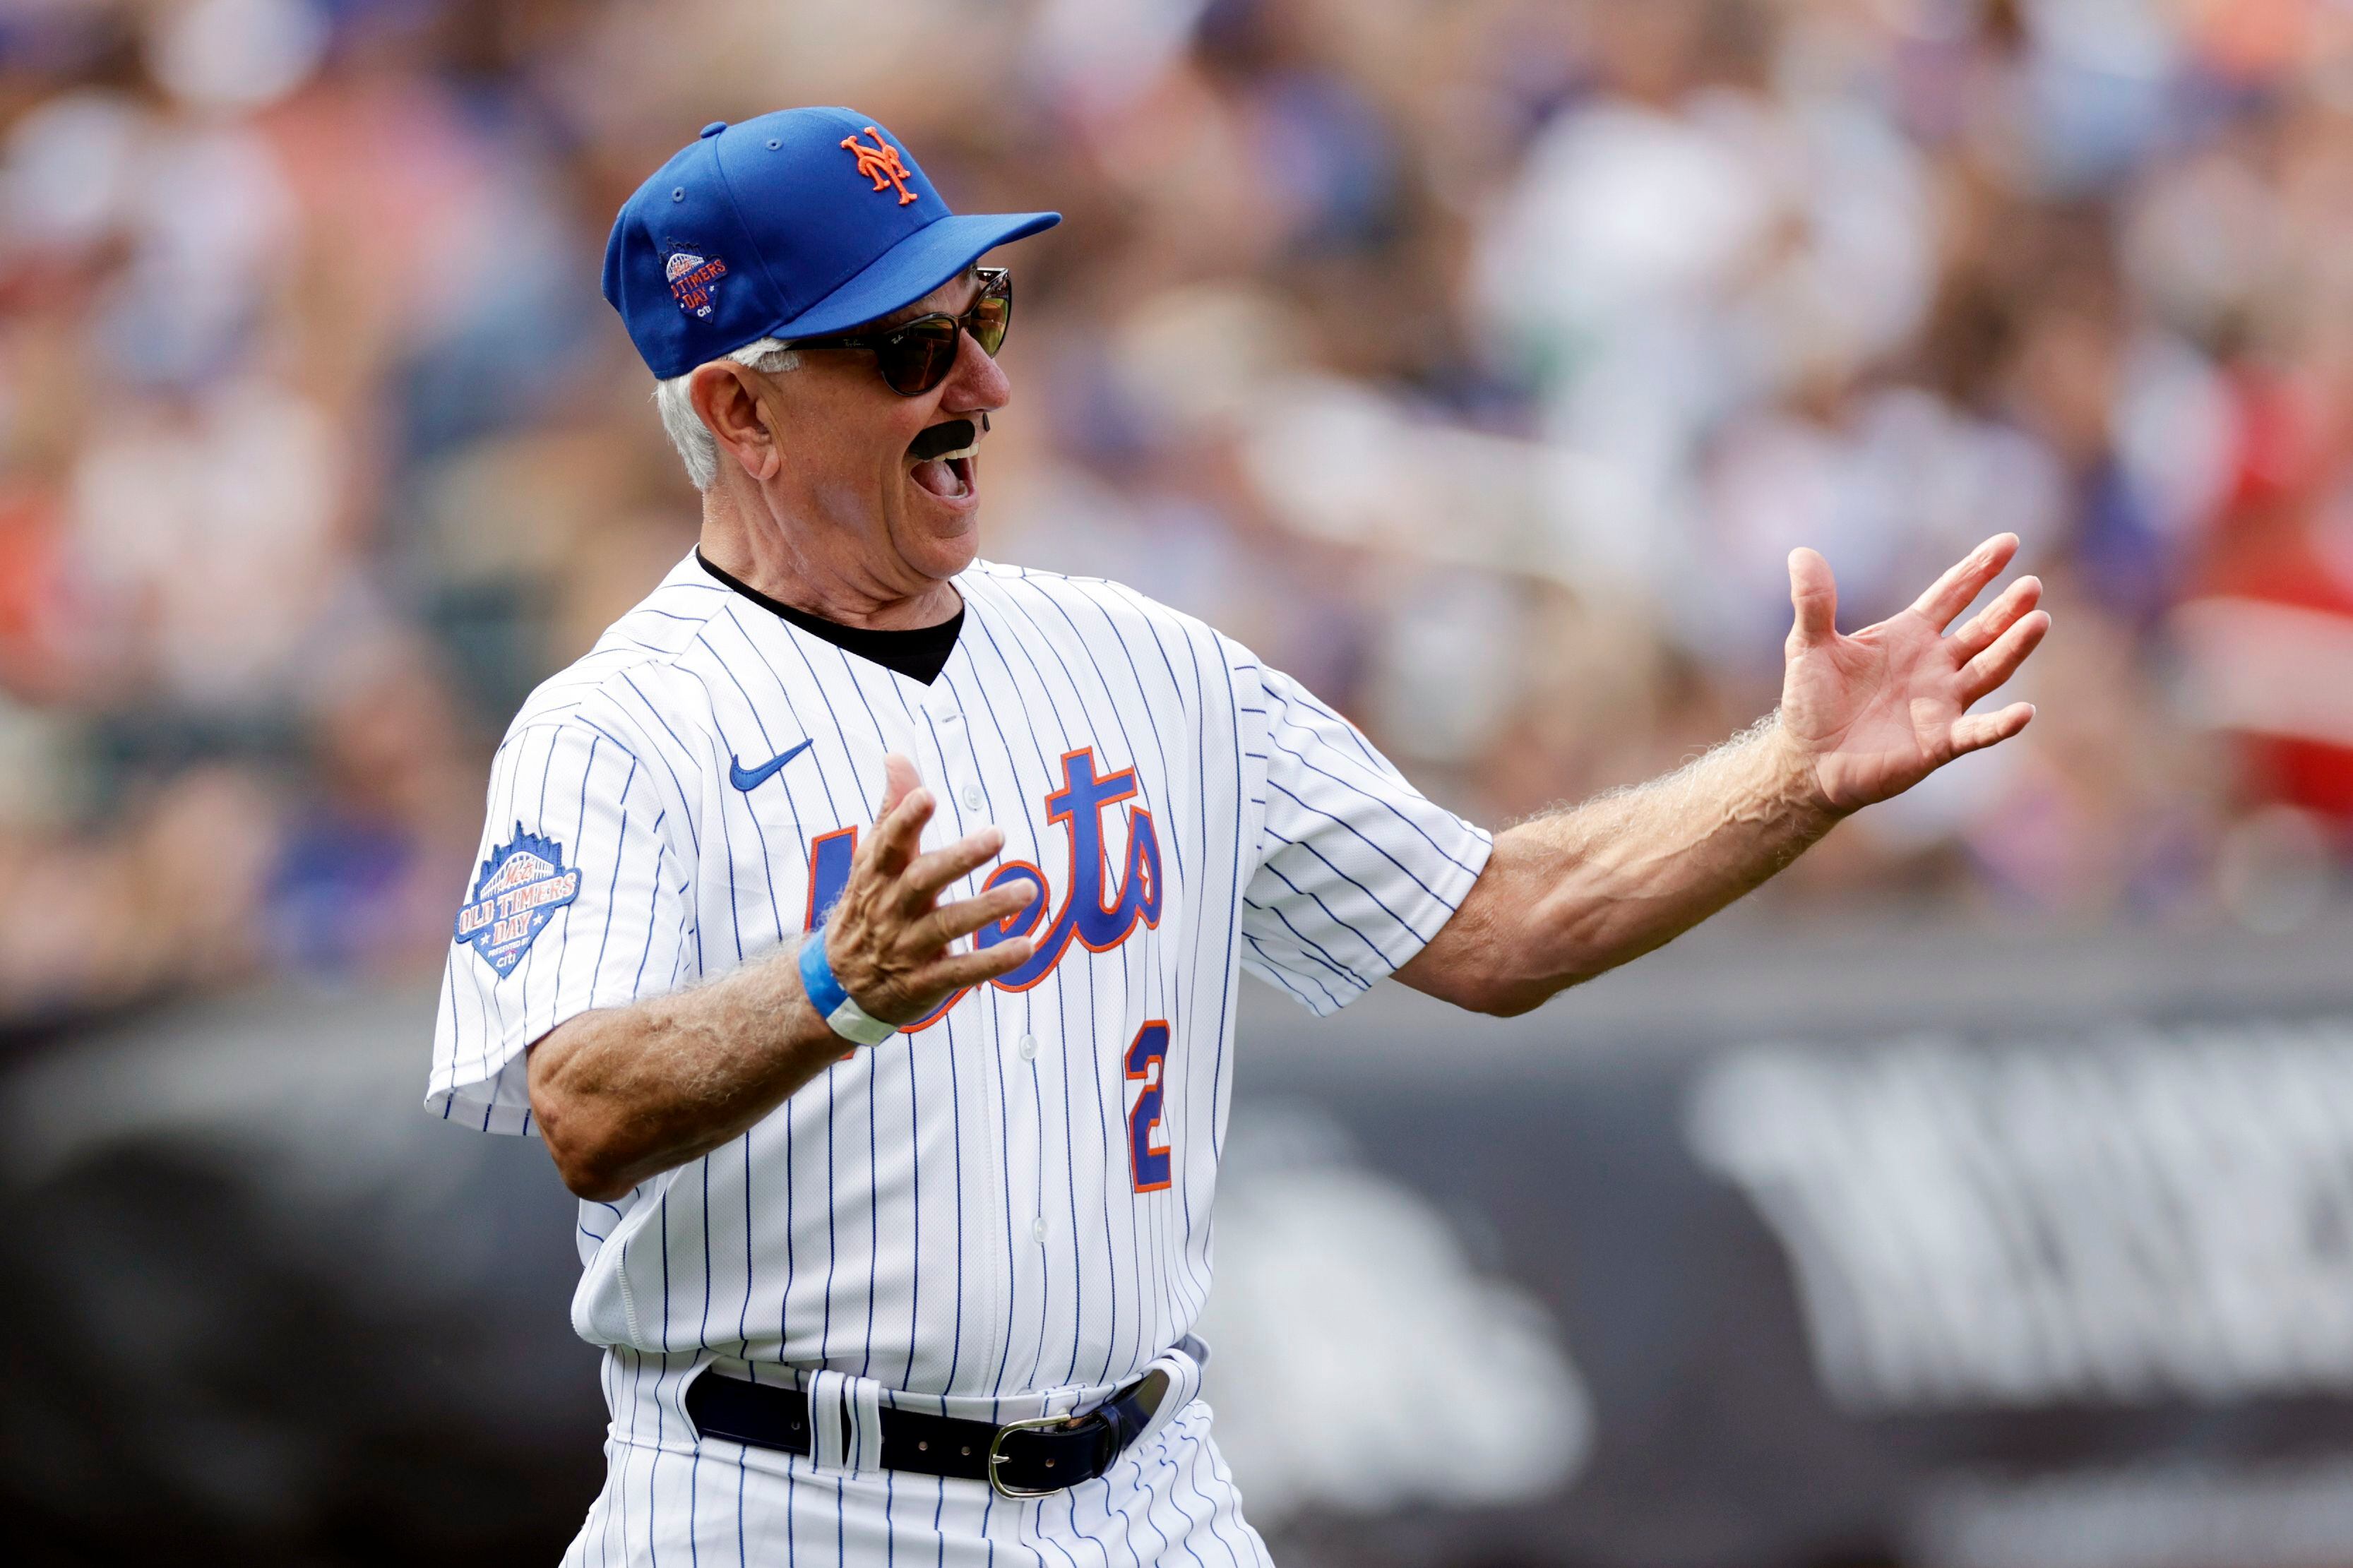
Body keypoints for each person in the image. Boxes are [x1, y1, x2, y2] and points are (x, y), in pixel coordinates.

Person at [426, 107, 2048, 1566]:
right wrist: (829, 985)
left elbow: (1499, 923)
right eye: (910, 349)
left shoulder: (1148, 664)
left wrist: (1787, 776)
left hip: (1149, 1497)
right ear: (742, 411)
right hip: (784, 1503)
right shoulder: (619, 724)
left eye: (982, 314)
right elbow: (578, 1099)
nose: (984, 381)